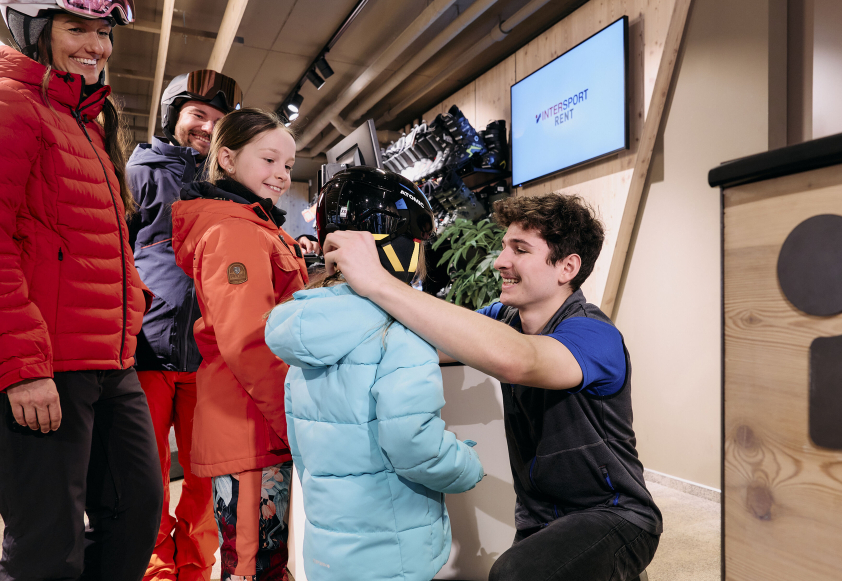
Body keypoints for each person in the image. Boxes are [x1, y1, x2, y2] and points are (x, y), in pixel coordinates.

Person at [324, 193, 663, 581]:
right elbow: (433, 339)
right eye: (504, 247)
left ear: (567, 267)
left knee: (512, 575)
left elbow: (518, 360)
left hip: (615, 513)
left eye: (520, 250)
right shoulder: (504, 317)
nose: (501, 262)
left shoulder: (594, 334)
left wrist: (377, 281)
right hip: (539, 517)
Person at [0, 0, 163, 580]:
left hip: (108, 360)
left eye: (103, 32)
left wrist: (135, 300)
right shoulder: (14, 108)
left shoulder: (83, 119)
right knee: (47, 545)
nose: (96, 45)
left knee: (136, 510)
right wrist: (20, 368)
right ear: (30, 27)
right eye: (77, 28)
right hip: (45, 366)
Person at [264, 167, 484, 581]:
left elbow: (301, 441)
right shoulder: (401, 332)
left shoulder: (305, 328)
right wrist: (467, 464)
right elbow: (412, 442)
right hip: (394, 550)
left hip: (329, 548)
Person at [171, 108, 307, 581]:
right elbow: (249, 341)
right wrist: (291, 420)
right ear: (226, 158)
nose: (281, 176)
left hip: (254, 423)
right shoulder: (235, 231)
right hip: (253, 424)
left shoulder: (250, 224)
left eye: (288, 166)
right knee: (253, 566)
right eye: (269, 160)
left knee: (258, 561)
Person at [127, 70, 243, 581]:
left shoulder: (229, 185)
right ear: (174, 114)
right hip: (145, 353)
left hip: (209, 357)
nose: (206, 126)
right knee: (144, 480)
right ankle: (153, 572)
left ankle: (194, 571)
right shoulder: (139, 170)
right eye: (198, 114)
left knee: (205, 481)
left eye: (218, 121)